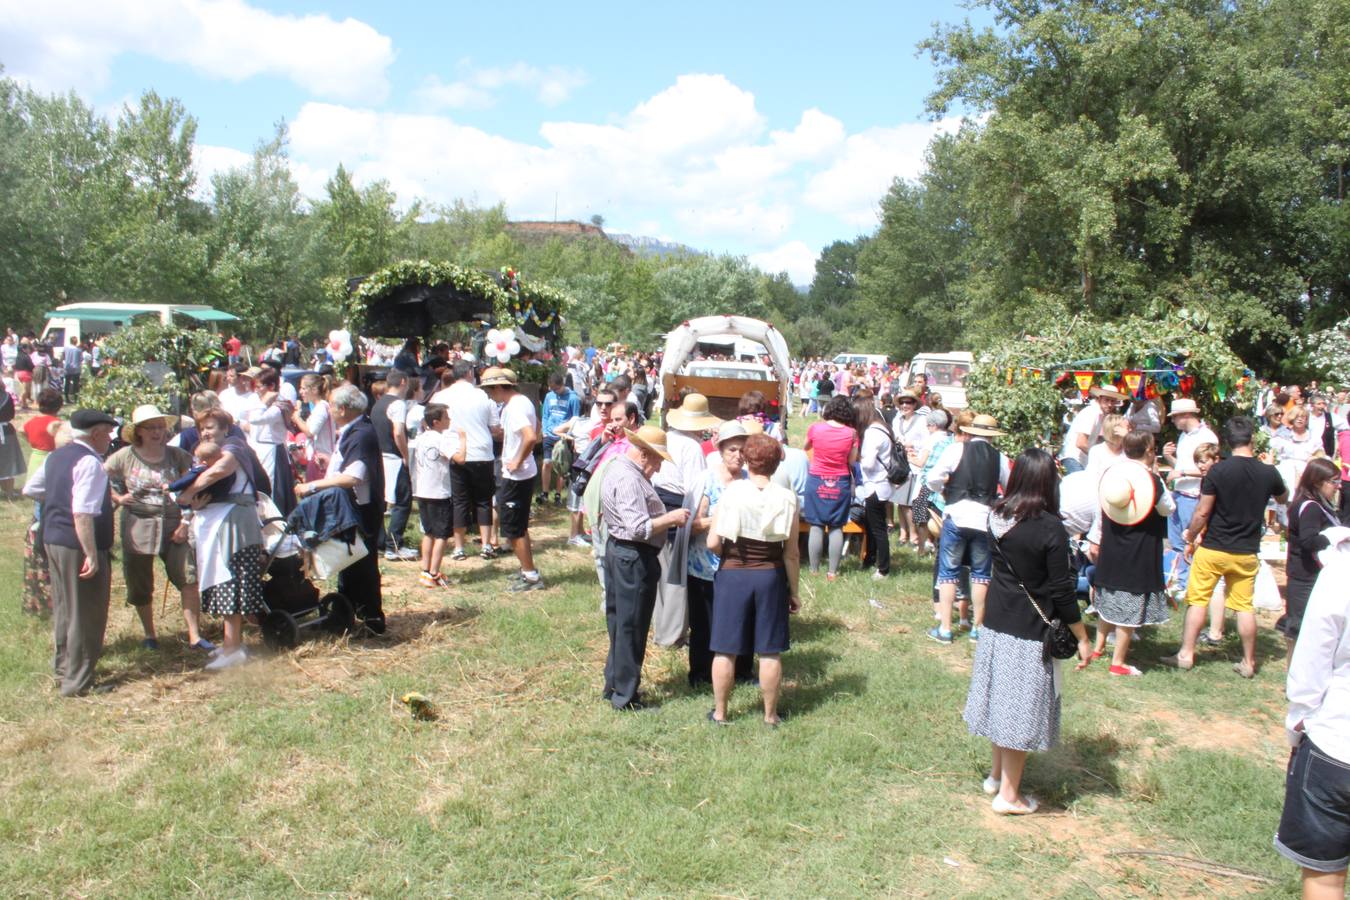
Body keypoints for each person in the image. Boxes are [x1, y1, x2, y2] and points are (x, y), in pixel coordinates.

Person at [964, 448, 1092, 815]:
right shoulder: (1051, 528)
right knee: (1018, 711)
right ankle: (1009, 795)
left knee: (1000, 701)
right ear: (1049, 482)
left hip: (996, 623)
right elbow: (1062, 592)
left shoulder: (997, 515)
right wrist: (1082, 636)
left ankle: (995, 776)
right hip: (1029, 631)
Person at [1164, 416, 1288, 677]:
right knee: (1244, 607)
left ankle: (1186, 654)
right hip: (1246, 551)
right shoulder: (1267, 472)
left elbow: (1202, 512)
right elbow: (1283, 497)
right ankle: (1249, 662)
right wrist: (1271, 468)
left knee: (1198, 600)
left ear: (1227, 442)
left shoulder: (1218, 471)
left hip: (1214, 548)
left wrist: (1190, 536)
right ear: (1252, 439)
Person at [706, 432, 802, 726]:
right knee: (770, 650)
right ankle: (770, 716)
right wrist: (794, 591)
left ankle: (721, 713)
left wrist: (730, 555)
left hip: (733, 573)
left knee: (725, 648)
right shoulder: (788, 498)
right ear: (776, 465)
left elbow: (712, 542)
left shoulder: (731, 492)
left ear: (747, 460)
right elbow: (791, 553)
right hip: (769, 575)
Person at [1275, 526, 1350, 897]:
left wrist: (1296, 728)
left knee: (1325, 879)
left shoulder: (1341, 570)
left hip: (1337, 741)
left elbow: (1311, 663)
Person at [105, 405, 212, 653]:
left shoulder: (177, 456)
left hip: (174, 523)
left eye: (160, 427)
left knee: (188, 577)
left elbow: (192, 488)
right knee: (140, 580)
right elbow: (98, 477)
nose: (157, 432)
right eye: (150, 428)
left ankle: (195, 635)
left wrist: (187, 522)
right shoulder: (125, 456)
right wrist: (118, 498)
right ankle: (149, 634)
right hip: (138, 523)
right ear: (138, 432)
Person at [599, 425, 692, 710]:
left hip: (620, 552)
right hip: (633, 556)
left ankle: (614, 683)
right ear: (643, 454)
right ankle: (625, 696)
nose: (660, 466)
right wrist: (671, 518)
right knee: (632, 626)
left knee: (620, 622)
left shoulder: (617, 468)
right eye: (658, 459)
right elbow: (638, 528)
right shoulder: (629, 479)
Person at [177, 409, 269, 669]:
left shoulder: (234, 446)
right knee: (220, 579)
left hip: (234, 524)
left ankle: (232, 648)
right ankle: (231, 644)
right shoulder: (205, 453)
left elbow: (220, 470)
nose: (206, 432)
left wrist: (187, 493)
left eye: (212, 427)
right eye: (202, 428)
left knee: (231, 580)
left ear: (225, 429)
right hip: (215, 523)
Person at [35, 409, 118, 695]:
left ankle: (63, 669)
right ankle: (78, 682)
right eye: (108, 433)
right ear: (95, 434)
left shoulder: (56, 456)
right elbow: (82, 513)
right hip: (76, 544)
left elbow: (32, 488)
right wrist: (92, 554)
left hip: (53, 538)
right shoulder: (90, 462)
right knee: (87, 612)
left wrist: (58, 499)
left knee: (65, 608)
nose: (110, 438)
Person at [296, 384, 387, 633]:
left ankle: (371, 619)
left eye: (333, 406)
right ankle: (345, 613)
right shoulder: (354, 430)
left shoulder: (361, 434)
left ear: (343, 409)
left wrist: (312, 485)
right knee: (349, 562)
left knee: (363, 564)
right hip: (352, 507)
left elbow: (354, 477)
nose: (330, 410)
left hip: (360, 509)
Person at [1089, 432, 1174, 676]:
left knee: (1108, 597)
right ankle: (1118, 663)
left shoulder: (1112, 475)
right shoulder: (1151, 480)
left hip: (1112, 544)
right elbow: (1168, 508)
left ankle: (1099, 647)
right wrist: (1157, 476)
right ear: (1149, 450)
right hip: (1139, 548)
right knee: (1129, 603)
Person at [927, 412, 1011, 643]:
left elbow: (932, 477)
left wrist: (944, 491)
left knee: (948, 572)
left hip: (957, 514)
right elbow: (1009, 488)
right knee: (981, 575)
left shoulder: (957, 450)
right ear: (992, 436)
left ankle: (945, 628)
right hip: (984, 518)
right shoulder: (1000, 458)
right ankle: (978, 627)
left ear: (971, 431)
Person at [687, 421, 752, 687]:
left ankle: (743, 671)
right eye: (732, 450)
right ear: (720, 450)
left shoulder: (750, 481)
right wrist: (720, 519)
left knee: (743, 620)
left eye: (742, 450)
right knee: (704, 624)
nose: (738, 455)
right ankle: (701, 674)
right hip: (704, 567)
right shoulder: (707, 479)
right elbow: (692, 526)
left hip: (741, 565)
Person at [481, 367, 544, 592]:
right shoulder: (522, 402)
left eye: (489, 389)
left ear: (499, 387)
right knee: (519, 525)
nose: (488, 393)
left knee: (514, 529)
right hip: (521, 474)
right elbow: (537, 426)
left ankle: (531, 576)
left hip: (516, 476)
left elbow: (530, 436)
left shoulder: (515, 407)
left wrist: (517, 460)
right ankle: (527, 571)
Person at [436, 361, 499, 561]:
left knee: (460, 501)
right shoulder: (483, 396)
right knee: (483, 500)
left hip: (455, 452)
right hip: (481, 452)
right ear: (471, 374)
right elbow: (495, 426)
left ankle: (459, 547)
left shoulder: (442, 396)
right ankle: (487, 544)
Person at [1280, 458, 1340, 655]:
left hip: (1309, 576)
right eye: (1333, 482)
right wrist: (1334, 537)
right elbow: (1308, 541)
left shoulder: (1315, 504)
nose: (1337, 487)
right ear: (1317, 482)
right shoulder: (1311, 507)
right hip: (1305, 577)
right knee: (1298, 632)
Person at [1160, 398, 1219, 596]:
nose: (1173, 421)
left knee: (1190, 541)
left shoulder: (1207, 436)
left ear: (1186, 415)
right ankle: (1182, 581)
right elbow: (1184, 465)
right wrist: (1170, 459)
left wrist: (1182, 472)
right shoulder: (1184, 436)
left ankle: (1193, 584)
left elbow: (1210, 469)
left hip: (1194, 495)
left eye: (1175, 417)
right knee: (1177, 541)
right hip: (1179, 493)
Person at [802, 396, 859, 581]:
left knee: (816, 525)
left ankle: (813, 569)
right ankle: (832, 572)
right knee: (836, 526)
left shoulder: (816, 428)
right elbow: (851, 461)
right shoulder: (852, 433)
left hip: (816, 479)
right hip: (840, 481)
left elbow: (806, 446)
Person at [410, 403, 464, 588]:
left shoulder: (421, 438)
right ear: (436, 422)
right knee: (441, 535)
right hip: (439, 493)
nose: (449, 420)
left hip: (422, 491)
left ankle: (425, 571)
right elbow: (460, 459)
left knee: (429, 532)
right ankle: (434, 572)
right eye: (446, 418)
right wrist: (463, 440)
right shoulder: (441, 440)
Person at [371, 369, 417, 561]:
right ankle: (394, 545)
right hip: (394, 458)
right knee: (402, 502)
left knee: (382, 502)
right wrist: (406, 455)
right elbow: (398, 432)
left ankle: (381, 541)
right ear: (404, 382)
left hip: (380, 456)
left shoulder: (377, 404)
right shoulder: (398, 404)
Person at [240, 367, 295, 516]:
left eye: (259, 387)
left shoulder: (279, 406)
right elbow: (242, 414)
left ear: (271, 386)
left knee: (272, 488)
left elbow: (256, 419)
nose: (256, 390)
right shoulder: (258, 401)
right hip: (258, 448)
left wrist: (264, 402)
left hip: (272, 452)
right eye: (255, 387)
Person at [854, 397, 896, 579]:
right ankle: (869, 559)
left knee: (878, 529)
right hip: (882, 484)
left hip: (876, 484)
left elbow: (869, 463)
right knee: (872, 526)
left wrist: (858, 459)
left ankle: (883, 568)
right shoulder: (882, 428)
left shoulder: (872, 433)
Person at [1059, 387, 1125, 473]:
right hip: (1074, 458)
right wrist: (1101, 457)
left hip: (1080, 460)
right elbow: (1080, 443)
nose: (1109, 404)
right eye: (1107, 400)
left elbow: (1099, 440)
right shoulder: (1092, 412)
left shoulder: (1100, 415)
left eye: (1112, 401)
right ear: (1099, 398)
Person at [540, 371, 580, 505]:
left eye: (557, 389)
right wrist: (545, 431)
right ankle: (545, 493)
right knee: (547, 463)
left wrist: (569, 436)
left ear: (562, 385)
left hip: (563, 437)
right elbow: (545, 414)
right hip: (549, 435)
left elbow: (575, 419)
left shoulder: (573, 398)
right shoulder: (549, 396)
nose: (555, 392)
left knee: (561, 466)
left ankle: (558, 493)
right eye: (552, 389)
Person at [291, 374, 335, 482]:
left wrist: (297, 418)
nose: (300, 392)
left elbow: (310, 432)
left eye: (303, 388)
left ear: (314, 390)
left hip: (322, 461)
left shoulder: (321, 407)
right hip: (317, 459)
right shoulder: (318, 408)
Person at [0, 379, 27, 500]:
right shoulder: (6, 396)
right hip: (6, 432)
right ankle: (9, 492)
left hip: (5, 431)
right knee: (8, 463)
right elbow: (11, 414)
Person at [61, 336, 84, 402]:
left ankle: (66, 397)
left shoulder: (66, 348)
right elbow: (81, 359)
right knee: (76, 383)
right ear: (76, 342)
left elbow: (63, 356)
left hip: (67, 367)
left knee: (67, 383)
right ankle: (75, 398)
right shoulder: (79, 350)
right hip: (76, 368)